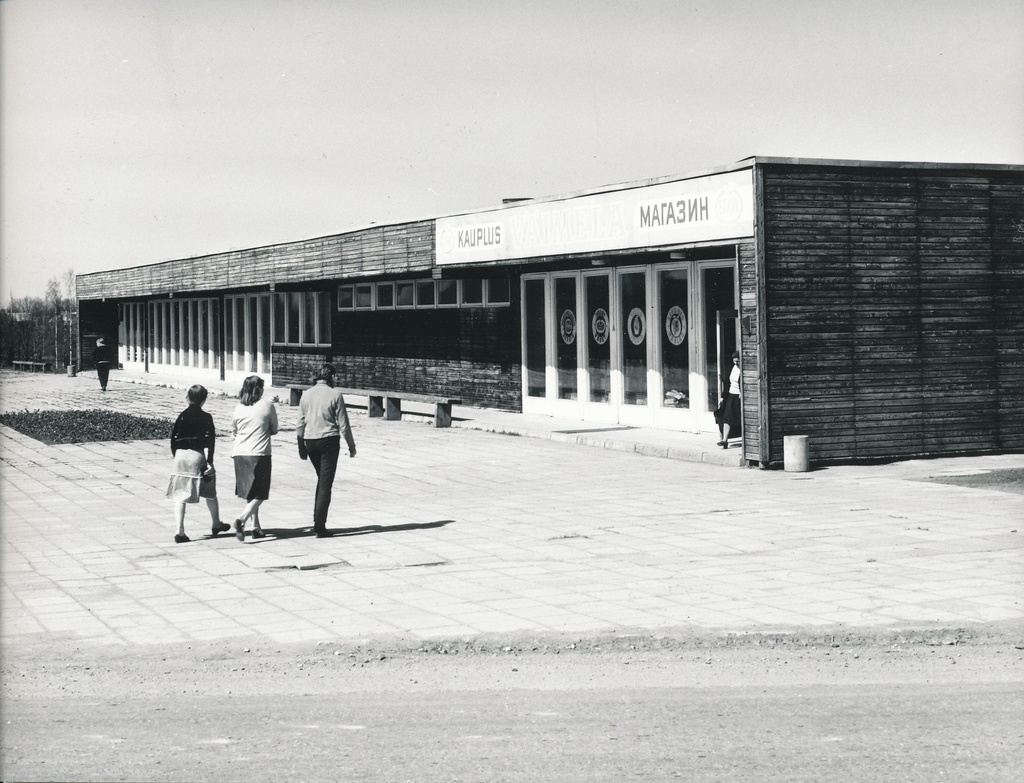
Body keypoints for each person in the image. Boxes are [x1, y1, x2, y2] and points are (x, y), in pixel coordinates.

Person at [296, 363, 357, 538]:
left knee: (322, 479)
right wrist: (351, 446)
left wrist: (301, 447)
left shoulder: (306, 394)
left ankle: (317, 519)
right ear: (331, 376)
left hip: (310, 441)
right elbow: (344, 425)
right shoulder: (335, 395)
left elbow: (300, 423)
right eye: (336, 376)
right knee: (325, 483)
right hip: (329, 441)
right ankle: (320, 526)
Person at [166, 385, 229, 543]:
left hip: (180, 457)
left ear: (187, 398)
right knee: (210, 492)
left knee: (180, 495)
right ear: (204, 400)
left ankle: (179, 530)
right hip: (197, 457)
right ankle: (216, 523)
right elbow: (210, 442)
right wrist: (210, 462)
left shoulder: (181, 416)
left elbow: (173, 439)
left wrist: (176, 455)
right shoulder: (206, 417)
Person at [231, 375, 278, 542]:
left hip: (239, 453)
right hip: (259, 453)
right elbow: (274, 429)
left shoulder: (239, 407)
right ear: (259, 389)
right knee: (261, 493)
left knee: (251, 492)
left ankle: (255, 527)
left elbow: (234, 430)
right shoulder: (267, 405)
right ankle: (242, 519)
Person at [717, 351, 742, 449]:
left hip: (740, 397)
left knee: (740, 419)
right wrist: (723, 396)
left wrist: (742, 393)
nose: (736, 363)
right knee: (727, 417)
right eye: (735, 361)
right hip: (731, 395)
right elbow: (727, 383)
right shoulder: (732, 368)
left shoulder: (744, 370)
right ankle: (724, 440)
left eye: (738, 361)